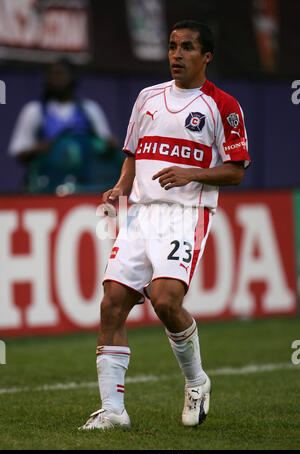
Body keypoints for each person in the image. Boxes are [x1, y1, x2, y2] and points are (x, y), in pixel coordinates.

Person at [79, 20, 250, 430]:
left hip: (185, 215)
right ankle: (113, 411)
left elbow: (236, 171)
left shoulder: (221, 106)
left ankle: (196, 381)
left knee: (165, 300)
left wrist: (192, 173)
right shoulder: (147, 97)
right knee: (111, 304)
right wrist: (121, 186)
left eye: (187, 47)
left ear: (206, 56)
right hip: (140, 214)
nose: (177, 54)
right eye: (173, 46)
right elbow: (134, 153)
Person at [8, 58, 120, 193]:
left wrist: (109, 144)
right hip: (44, 187)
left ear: (73, 77)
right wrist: (42, 148)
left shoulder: (89, 109)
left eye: (61, 74)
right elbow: (19, 151)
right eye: (52, 75)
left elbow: (105, 144)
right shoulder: (34, 110)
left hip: (85, 185)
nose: (56, 79)